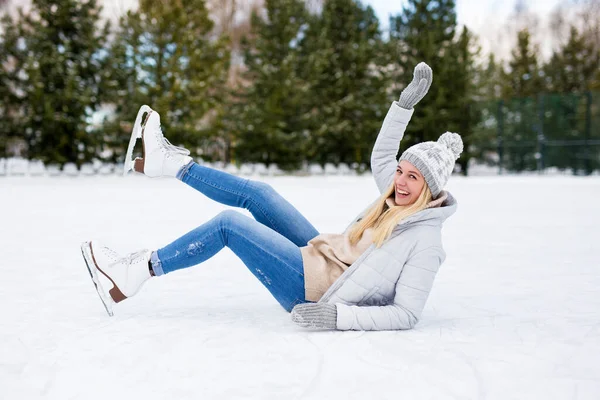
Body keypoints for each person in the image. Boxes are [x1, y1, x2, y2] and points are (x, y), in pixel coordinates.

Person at [81, 62, 462, 331]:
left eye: (413, 177)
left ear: (429, 189)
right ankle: (169, 164)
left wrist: (338, 318)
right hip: (321, 254)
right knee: (260, 194)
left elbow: (406, 314)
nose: (400, 181)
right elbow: (382, 155)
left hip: (318, 291)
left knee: (229, 225)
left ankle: (135, 273)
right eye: (401, 171)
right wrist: (404, 107)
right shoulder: (395, 197)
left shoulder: (425, 240)